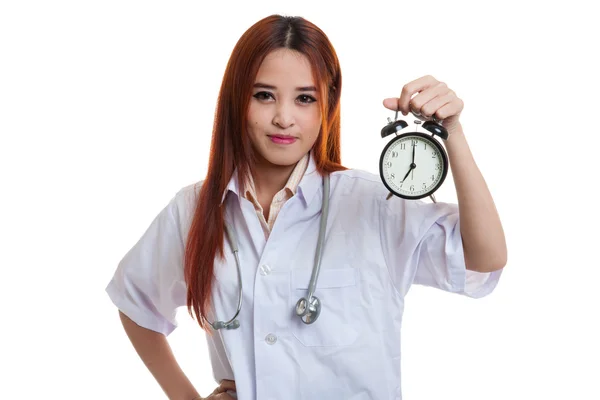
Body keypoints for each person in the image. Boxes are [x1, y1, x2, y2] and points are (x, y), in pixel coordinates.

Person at [106, 14, 507, 400]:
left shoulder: (373, 202)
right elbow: (135, 301)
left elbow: (484, 258)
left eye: (304, 98)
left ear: (327, 105)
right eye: (264, 95)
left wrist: (451, 132)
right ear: (237, 100)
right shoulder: (193, 209)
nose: (284, 118)